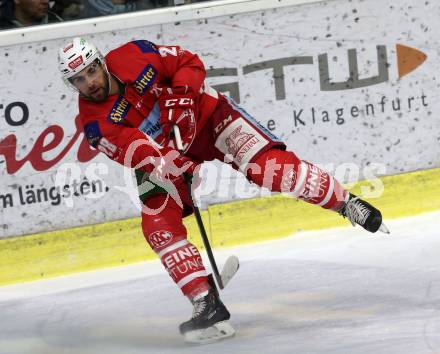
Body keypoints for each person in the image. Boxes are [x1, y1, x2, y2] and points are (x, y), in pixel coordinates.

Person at [57, 37, 388, 343]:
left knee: (270, 170)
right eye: (79, 80)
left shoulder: (135, 54)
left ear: (101, 62)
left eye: (91, 71)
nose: (90, 83)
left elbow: (189, 62)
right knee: (157, 224)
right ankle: (205, 301)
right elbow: (139, 152)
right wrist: (172, 162)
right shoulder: (95, 125)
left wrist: (183, 96)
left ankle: (346, 203)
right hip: (163, 156)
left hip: (210, 116)